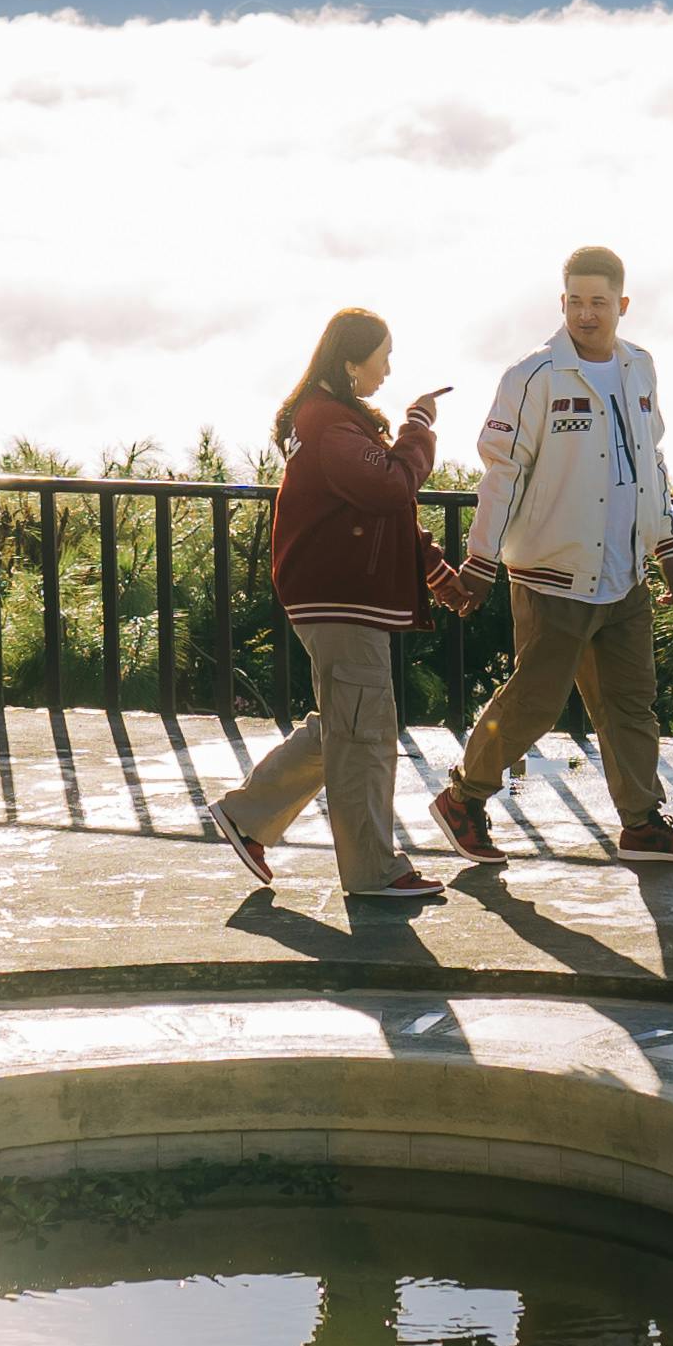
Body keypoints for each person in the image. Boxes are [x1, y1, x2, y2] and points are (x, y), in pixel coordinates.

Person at [439, 244, 673, 868]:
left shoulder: (640, 367)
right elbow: (502, 476)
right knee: (533, 702)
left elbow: (652, 463)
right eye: (575, 302)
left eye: (599, 303)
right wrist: (480, 564)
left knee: (629, 704)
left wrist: (666, 544)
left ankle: (642, 823)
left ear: (622, 304)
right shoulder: (532, 377)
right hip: (551, 571)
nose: (586, 315)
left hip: (623, 574)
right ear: (561, 303)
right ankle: (463, 797)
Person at [211, 307, 452, 906]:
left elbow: (379, 508)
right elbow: (391, 486)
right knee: (364, 732)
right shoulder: (327, 423)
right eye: (382, 357)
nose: (388, 370)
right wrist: (418, 428)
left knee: (348, 722)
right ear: (350, 362)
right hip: (339, 597)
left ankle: (247, 815)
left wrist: (432, 567)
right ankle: (372, 871)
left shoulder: (326, 419)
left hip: (333, 595)